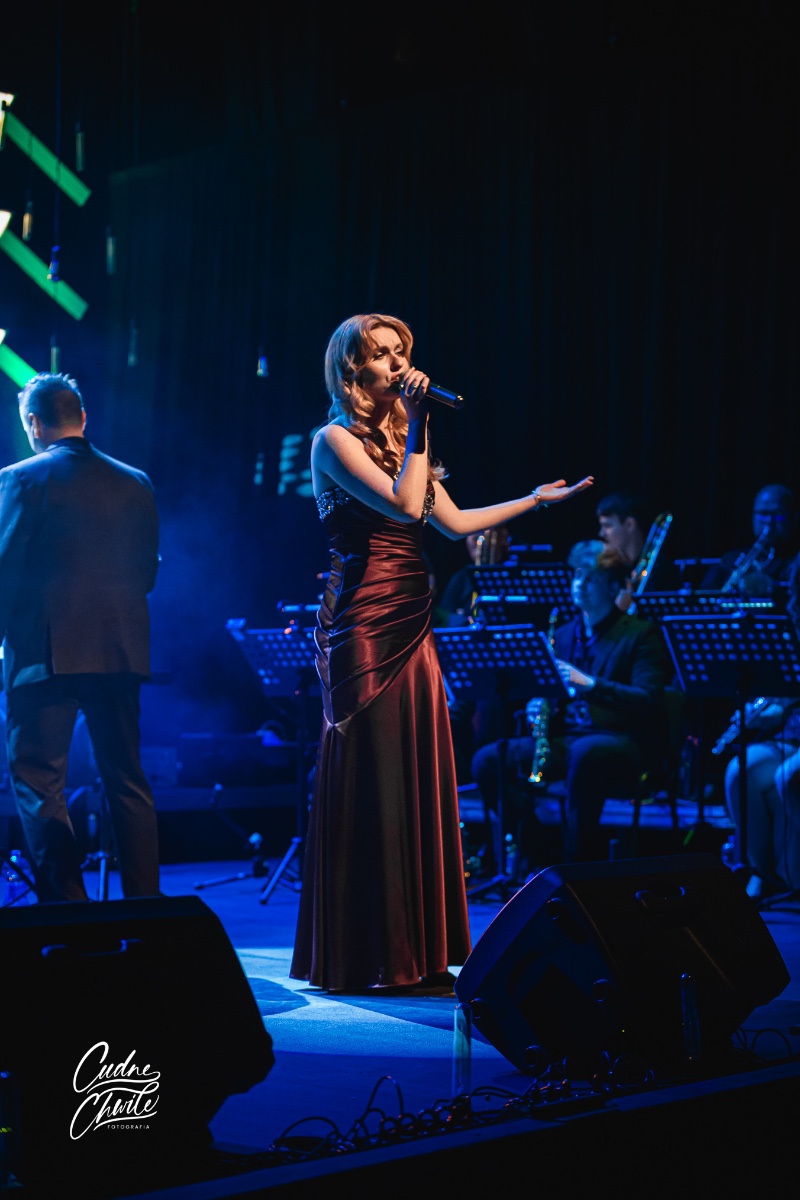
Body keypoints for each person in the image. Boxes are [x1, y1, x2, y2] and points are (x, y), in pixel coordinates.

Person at [289, 313, 593, 994]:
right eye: (382, 354)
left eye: (402, 352)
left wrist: (535, 501)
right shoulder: (332, 440)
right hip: (364, 626)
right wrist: (421, 424)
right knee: (375, 776)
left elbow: (451, 524)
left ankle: (414, 952)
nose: (398, 364)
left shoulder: (403, 440)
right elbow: (403, 509)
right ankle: (364, 954)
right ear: (352, 371)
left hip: (413, 620)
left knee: (416, 775)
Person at [0, 372, 161, 901]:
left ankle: (69, 911)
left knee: (38, 782)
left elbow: (5, 572)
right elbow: (147, 575)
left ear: (33, 423)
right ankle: (146, 911)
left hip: (45, 657)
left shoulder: (20, 479)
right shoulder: (136, 481)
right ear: (83, 418)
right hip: (119, 652)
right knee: (128, 781)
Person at [470, 544, 672, 868]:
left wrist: (590, 684)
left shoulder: (640, 634)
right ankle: (543, 856)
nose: (580, 584)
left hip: (618, 739)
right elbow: (552, 695)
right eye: (578, 576)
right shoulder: (563, 634)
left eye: (591, 578)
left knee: (586, 753)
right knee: (487, 760)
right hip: (567, 739)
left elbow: (648, 700)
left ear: (613, 587)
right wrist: (540, 705)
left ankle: (578, 863)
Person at [723, 552, 800, 900]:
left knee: (788, 777)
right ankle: (760, 872)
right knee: (741, 771)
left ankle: (791, 877)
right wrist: (774, 708)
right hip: (794, 735)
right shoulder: (792, 626)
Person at [702, 483, 800, 596]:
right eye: (763, 514)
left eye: (778, 515)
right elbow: (704, 598)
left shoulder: (796, 562)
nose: (769, 521)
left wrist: (774, 587)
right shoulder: (729, 559)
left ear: (795, 518)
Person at [437, 524, 512, 626]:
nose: (478, 540)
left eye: (483, 533)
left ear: (502, 537)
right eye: (473, 534)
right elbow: (446, 615)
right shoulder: (461, 577)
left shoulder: (510, 575)